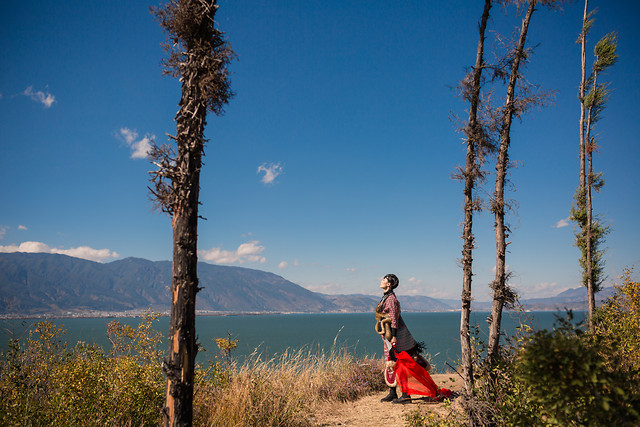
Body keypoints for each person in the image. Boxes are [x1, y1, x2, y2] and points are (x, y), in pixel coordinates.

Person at [376, 273, 430, 403]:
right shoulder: (386, 297)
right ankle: (393, 392)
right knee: (391, 362)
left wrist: (394, 336)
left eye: (384, 279)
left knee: (401, 363)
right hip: (388, 334)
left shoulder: (391, 299)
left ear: (389, 284)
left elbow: (394, 318)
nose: (381, 281)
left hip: (396, 336)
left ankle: (406, 395)